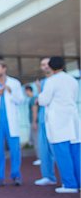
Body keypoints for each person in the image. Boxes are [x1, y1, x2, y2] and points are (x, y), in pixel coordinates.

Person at [38, 56, 80, 193]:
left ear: (50, 67)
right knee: (76, 154)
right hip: (72, 120)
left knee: (63, 154)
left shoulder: (51, 81)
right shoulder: (72, 80)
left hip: (59, 122)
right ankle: (78, 182)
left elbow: (43, 101)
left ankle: (69, 185)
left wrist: (39, 92)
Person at [0, 60, 24, 186]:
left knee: (15, 151)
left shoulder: (15, 83)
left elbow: (21, 100)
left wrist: (10, 92)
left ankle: (16, 176)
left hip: (11, 123)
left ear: (4, 69)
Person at [34, 57, 57, 186]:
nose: (45, 67)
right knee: (44, 149)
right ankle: (48, 176)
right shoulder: (41, 82)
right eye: (42, 65)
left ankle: (68, 179)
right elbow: (38, 101)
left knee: (58, 150)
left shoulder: (56, 80)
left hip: (55, 120)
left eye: (47, 64)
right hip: (43, 119)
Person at [25, 85, 39, 165]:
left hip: (34, 123)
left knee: (36, 141)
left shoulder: (33, 99)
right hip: (34, 122)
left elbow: (34, 110)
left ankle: (40, 158)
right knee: (34, 140)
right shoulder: (33, 99)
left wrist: (34, 122)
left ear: (28, 90)